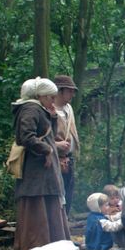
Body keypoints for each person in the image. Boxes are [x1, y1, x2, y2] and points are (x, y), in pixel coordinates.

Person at [12, 77, 71, 250]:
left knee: (47, 203)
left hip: (42, 172)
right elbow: (26, 136)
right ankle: (37, 244)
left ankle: (49, 243)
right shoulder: (30, 108)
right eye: (50, 97)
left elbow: (46, 134)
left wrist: (52, 118)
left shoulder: (37, 109)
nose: (53, 101)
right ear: (40, 96)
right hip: (36, 171)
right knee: (36, 205)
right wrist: (46, 150)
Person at [52, 75, 80, 215]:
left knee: (68, 196)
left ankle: (65, 224)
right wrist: (56, 145)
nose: (72, 94)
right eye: (69, 91)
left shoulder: (68, 108)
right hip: (54, 160)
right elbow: (41, 138)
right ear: (59, 90)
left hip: (68, 160)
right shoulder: (48, 110)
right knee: (56, 197)